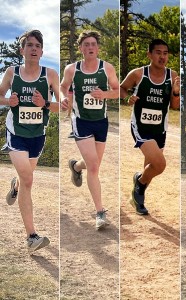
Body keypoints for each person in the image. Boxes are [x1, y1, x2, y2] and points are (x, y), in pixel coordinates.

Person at [0, 29, 59, 254]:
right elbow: (0, 96)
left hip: (38, 135)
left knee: (24, 179)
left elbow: (62, 106)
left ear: (42, 51)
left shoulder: (50, 75)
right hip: (16, 133)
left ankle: (14, 184)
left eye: (37, 46)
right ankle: (31, 237)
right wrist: (8, 100)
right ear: (22, 50)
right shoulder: (12, 73)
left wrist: (44, 103)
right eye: (29, 45)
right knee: (29, 179)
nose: (33, 49)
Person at [60, 30, 119, 229]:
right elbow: (62, 87)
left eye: (93, 44)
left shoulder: (107, 68)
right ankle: (100, 212)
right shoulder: (72, 69)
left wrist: (104, 94)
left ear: (98, 47)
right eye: (86, 44)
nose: (90, 47)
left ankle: (76, 167)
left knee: (93, 164)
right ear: (81, 48)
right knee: (94, 167)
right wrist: (63, 98)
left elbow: (118, 91)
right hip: (81, 120)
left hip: (101, 121)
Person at [120, 39, 180, 215]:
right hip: (141, 126)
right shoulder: (138, 74)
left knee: (150, 169)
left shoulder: (172, 75)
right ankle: (138, 184)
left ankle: (138, 196)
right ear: (149, 55)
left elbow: (175, 106)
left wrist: (176, 92)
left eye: (165, 53)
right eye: (158, 52)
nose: (162, 56)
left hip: (160, 129)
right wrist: (126, 98)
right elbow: (122, 88)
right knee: (159, 164)